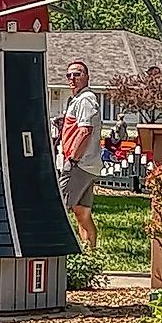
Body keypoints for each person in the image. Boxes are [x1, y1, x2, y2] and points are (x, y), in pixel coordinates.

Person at [57, 59, 101, 250]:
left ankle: (63, 255)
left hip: (79, 165)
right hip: (89, 165)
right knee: (81, 212)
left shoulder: (85, 100)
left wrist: (72, 159)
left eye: (77, 74)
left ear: (87, 77)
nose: (72, 78)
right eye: (69, 75)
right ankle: (90, 256)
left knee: (59, 209)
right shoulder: (77, 100)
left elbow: (85, 131)